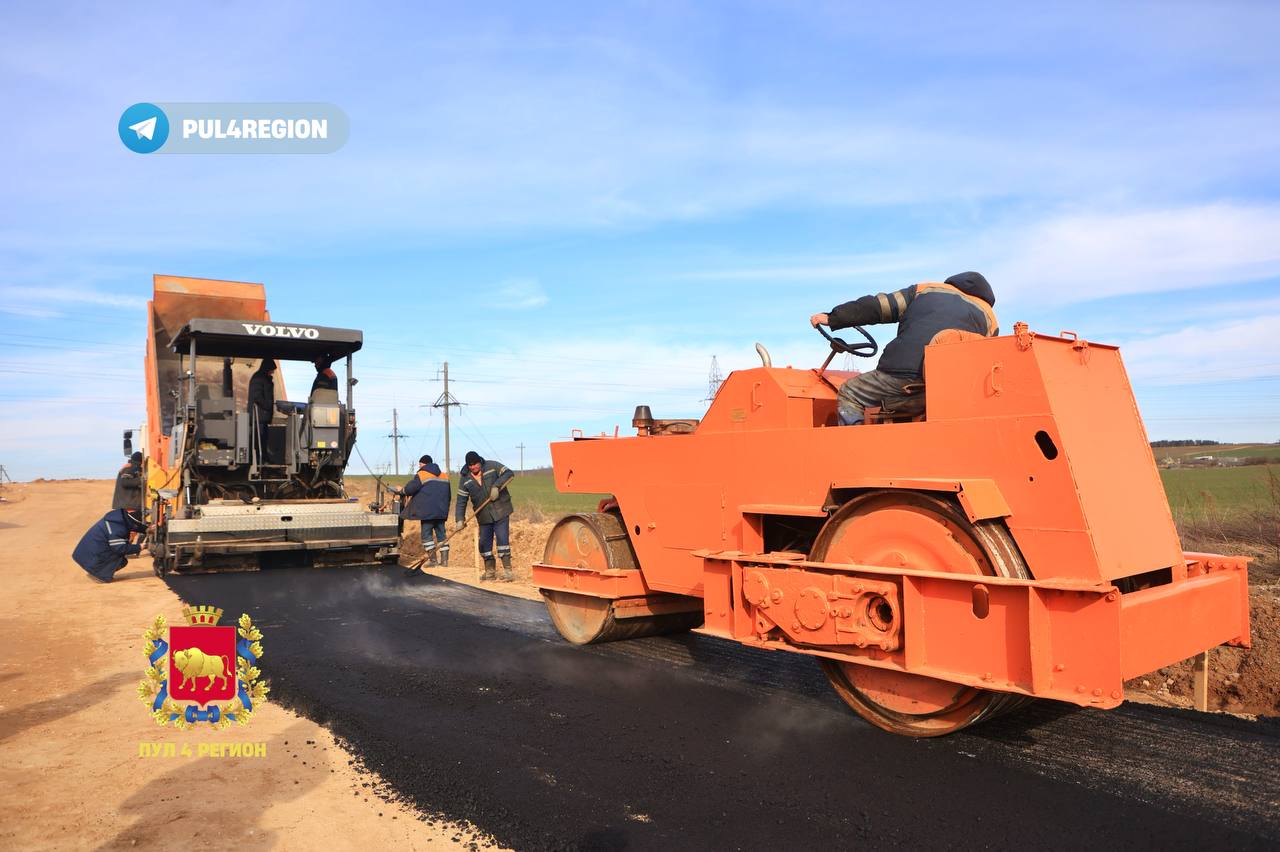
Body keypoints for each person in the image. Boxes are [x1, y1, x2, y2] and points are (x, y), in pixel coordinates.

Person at [810, 271, 999, 425]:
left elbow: (878, 306)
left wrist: (834, 317)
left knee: (851, 392)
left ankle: (855, 447)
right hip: (949, 386)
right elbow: (984, 356)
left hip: (903, 371)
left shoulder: (927, 290)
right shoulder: (991, 319)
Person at [454, 450, 515, 582]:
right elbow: (461, 501)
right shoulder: (465, 479)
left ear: (479, 462)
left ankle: (508, 571)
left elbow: (509, 473)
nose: (474, 467)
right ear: (467, 466)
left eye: (475, 464)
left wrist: (496, 487)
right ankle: (490, 572)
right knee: (484, 544)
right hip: (483, 516)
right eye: (470, 465)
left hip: (501, 510)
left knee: (502, 540)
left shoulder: (492, 466)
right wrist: (459, 519)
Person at [72, 507, 149, 583]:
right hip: (94, 553)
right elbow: (120, 548)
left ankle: (95, 570)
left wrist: (146, 529)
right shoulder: (117, 529)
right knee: (121, 561)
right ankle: (98, 574)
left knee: (120, 558)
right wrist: (139, 547)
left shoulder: (120, 519)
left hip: (87, 550)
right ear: (132, 522)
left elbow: (134, 525)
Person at [400, 454, 451, 568]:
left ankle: (433, 560)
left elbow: (410, 489)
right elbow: (449, 495)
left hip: (427, 513)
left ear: (423, 464)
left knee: (426, 535)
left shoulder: (422, 474)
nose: (419, 466)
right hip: (441, 512)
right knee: (442, 535)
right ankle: (445, 561)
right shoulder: (444, 476)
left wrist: (402, 491)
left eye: (420, 464)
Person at [248, 358, 276, 463]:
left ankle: (263, 460)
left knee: (263, 440)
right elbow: (257, 396)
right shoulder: (258, 379)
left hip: (263, 416)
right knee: (259, 440)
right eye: (271, 369)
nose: (272, 372)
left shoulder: (263, 378)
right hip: (259, 417)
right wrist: (268, 406)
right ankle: (260, 461)